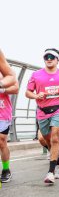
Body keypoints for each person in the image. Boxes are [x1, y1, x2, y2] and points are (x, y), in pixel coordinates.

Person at [26, 48, 59, 184]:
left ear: (57, 60)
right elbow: (27, 92)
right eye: (46, 57)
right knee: (46, 139)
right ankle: (57, 157)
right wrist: (36, 95)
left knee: (55, 137)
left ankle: (50, 172)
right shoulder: (36, 75)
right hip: (42, 110)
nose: (49, 59)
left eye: (52, 57)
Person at [0, 49, 19, 183]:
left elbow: (16, 87)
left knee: (1, 141)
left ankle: (6, 169)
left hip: (2, 110)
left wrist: (2, 88)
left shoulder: (5, 71)